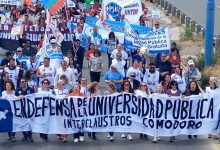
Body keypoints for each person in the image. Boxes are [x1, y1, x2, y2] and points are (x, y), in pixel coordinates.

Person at [15, 78, 35, 142]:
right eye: (21, 82)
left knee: (29, 122)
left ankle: (30, 135)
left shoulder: (31, 89)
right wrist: (18, 97)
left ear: (26, 82)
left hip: (29, 109)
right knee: (23, 122)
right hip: (21, 109)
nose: (21, 83)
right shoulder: (17, 90)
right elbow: (14, 99)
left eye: (23, 82)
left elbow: (34, 97)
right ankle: (24, 135)